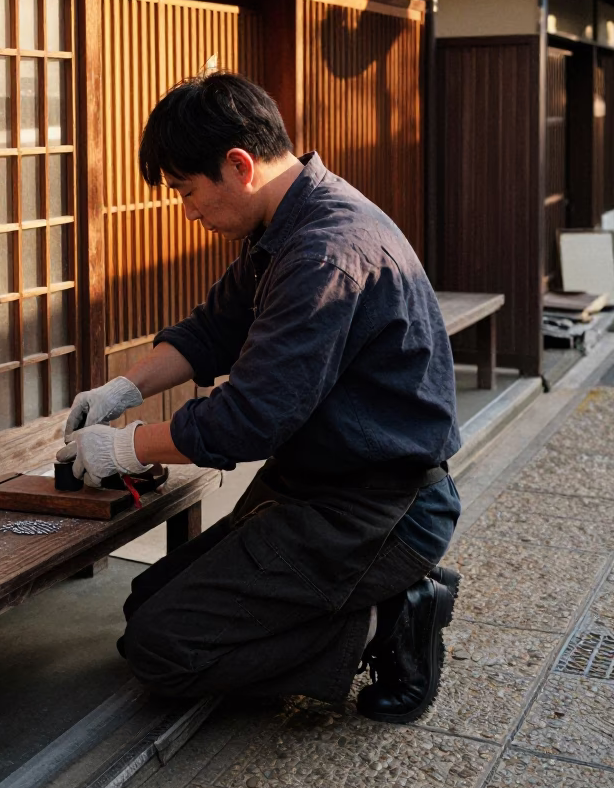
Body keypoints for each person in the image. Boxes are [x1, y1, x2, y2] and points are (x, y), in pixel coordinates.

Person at [56, 72, 461, 722]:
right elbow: (215, 329)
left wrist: (124, 448)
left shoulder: (326, 251)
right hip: (315, 482)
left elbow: (249, 420)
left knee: (163, 651)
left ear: (238, 166)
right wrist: (122, 390)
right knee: (145, 606)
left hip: (380, 506)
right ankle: (364, 613)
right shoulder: (288, 221)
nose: (188, 210)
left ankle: (391, 618)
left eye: (188, 192)